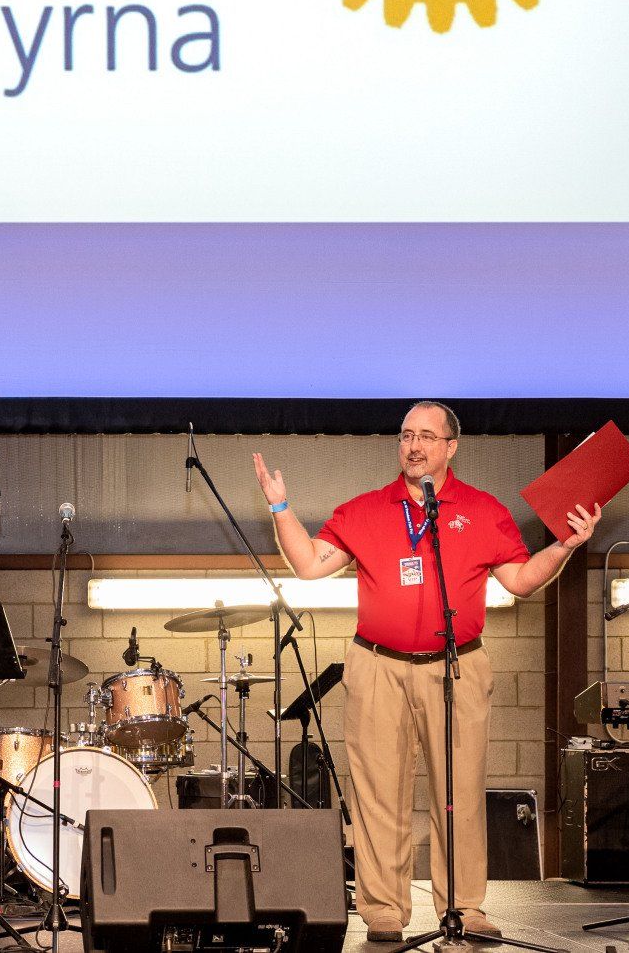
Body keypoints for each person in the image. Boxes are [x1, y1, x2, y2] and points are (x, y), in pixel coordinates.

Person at [254, 402, 599, 940]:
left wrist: (564, 546)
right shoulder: (364, 510)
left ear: (450, 447)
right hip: (376, 666)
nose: (414, 446)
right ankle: (384, 908)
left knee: (458, 790)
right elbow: (308, 565)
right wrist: (281, 507)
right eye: (406, 436)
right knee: (378, 794)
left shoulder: (483, 510)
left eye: (426, 437)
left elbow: (522, 580)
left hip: (456, 667)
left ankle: (464, 904)